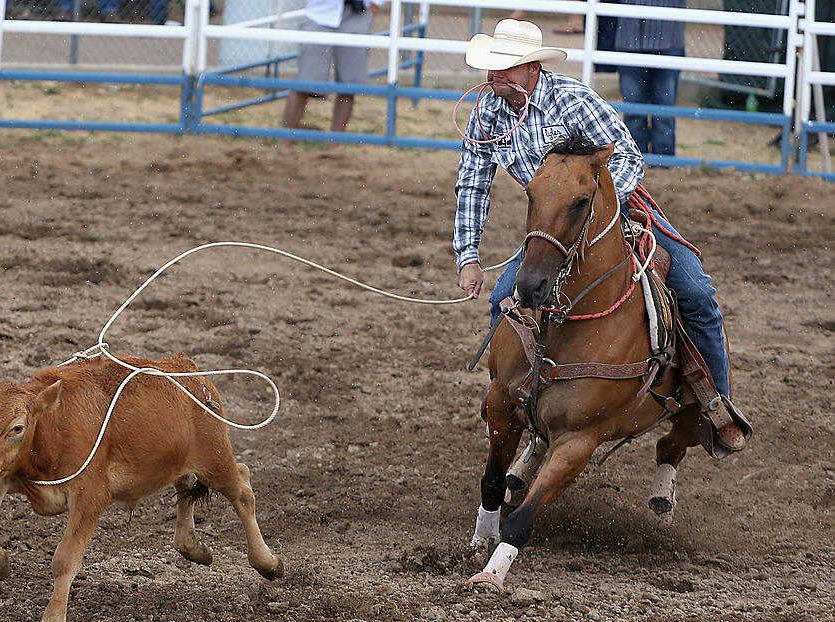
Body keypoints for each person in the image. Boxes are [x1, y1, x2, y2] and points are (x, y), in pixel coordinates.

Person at [452, 19, 746, 429]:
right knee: (504, 302)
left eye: (507, 66)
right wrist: (468, 256)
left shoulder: (572, 101)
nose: (495, 75)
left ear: (533, 69)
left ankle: (717, 404)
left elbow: (627, 156)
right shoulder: (486, 112)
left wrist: (598, 210)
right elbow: (472, 183)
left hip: (616, 211)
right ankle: (507, 393)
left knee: (696, 291)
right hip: (551, 230)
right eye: (492, 66)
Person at [282, 0, 383, 138]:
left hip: (358, 12)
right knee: (305, 82)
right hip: (320, 13)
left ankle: (335, 146)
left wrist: (376, 3)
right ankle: (285, 141)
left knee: (349, 85)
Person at [615, 0, 686, 157]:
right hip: (630, 41)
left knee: (664, 109)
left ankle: (663, 162)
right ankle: (633, 158)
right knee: (633, 109)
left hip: (668, 40)